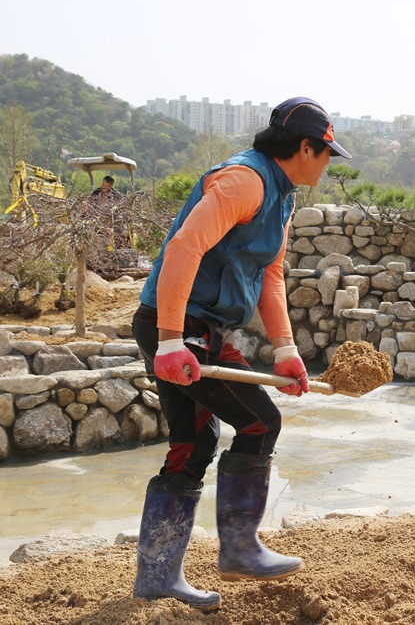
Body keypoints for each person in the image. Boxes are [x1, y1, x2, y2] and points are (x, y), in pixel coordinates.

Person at [130, 97, 351, 610]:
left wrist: (285, 350)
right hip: (177, 325)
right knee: (259, 422)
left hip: (204, 328)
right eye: (326, 153)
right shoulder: (245, 181)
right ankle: (240, 548)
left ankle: (159, 575)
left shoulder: (283, 196)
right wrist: (167, 341)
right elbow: (184, 248)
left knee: (194, 442)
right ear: (304, 147)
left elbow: (270, 274)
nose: (327, 163)